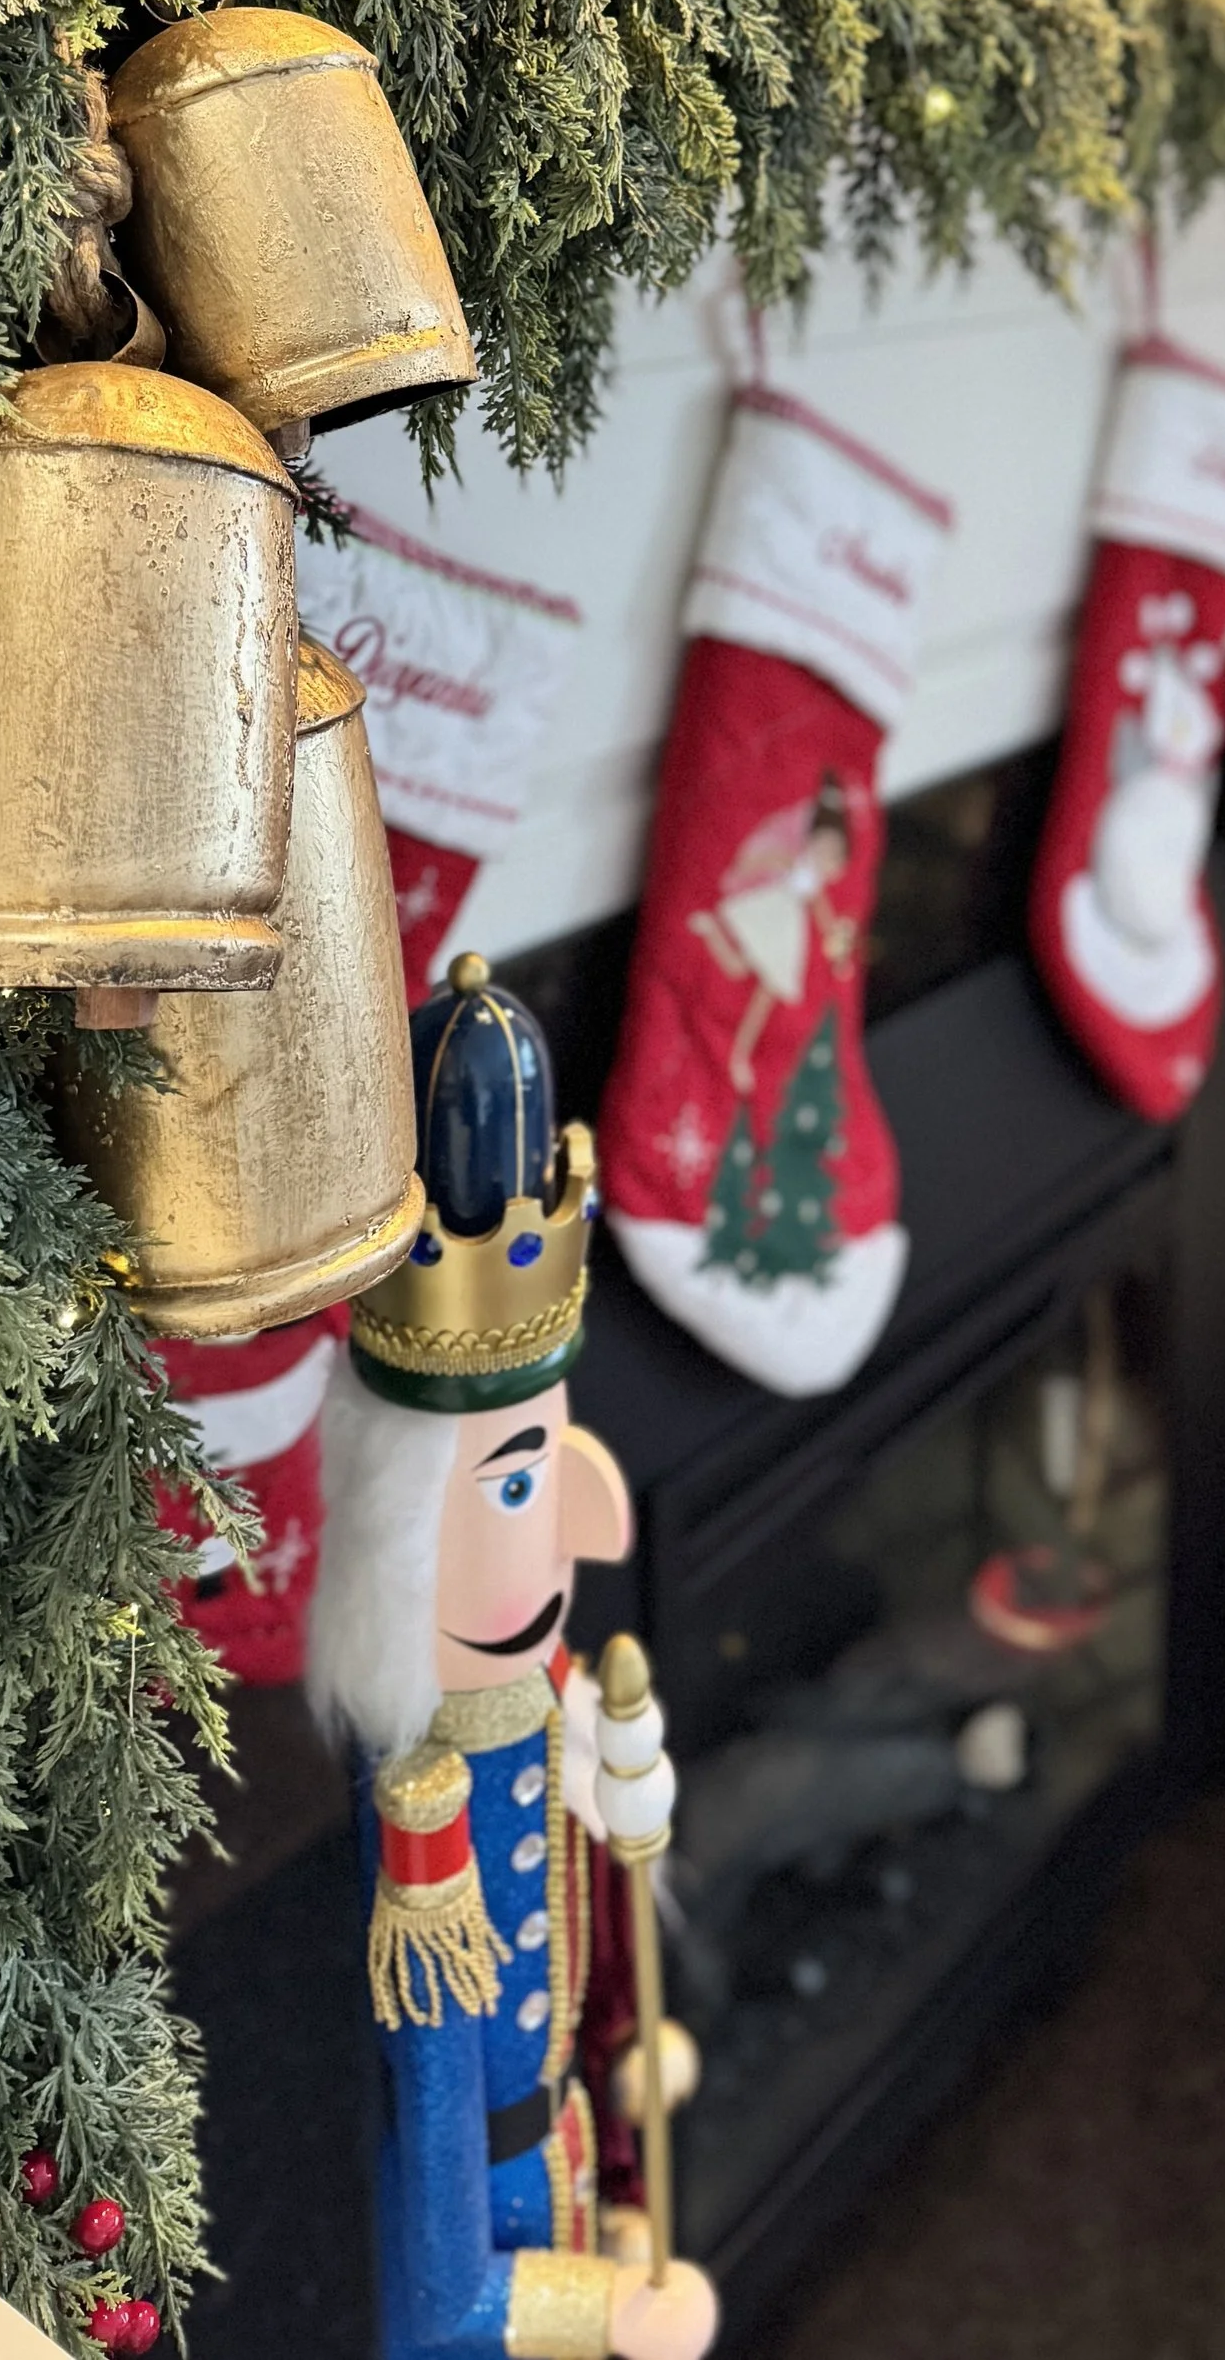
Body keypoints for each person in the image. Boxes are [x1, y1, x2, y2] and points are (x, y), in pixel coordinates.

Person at [309, 956, 717, 2360]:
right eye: (519, 1483)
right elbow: (439, 2296)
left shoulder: (544, 1710)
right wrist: (610, 2311)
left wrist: (615, 2078)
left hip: (569, 2167)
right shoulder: (423, 1825)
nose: (587, 1525)